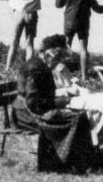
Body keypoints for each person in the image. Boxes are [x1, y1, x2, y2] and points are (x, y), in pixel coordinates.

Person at [14, 34, 98, 172]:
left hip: (34, 108)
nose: (58, 62)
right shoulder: (35, 68)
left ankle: (77, 162)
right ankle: (67, 163)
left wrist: (63, 99)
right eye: (58, 58)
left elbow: (43, 96)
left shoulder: (41, 65)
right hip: (28, 113)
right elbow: (34, 103)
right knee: (77, 118)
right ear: (49, 54)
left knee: (79, 116)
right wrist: (64, 101)